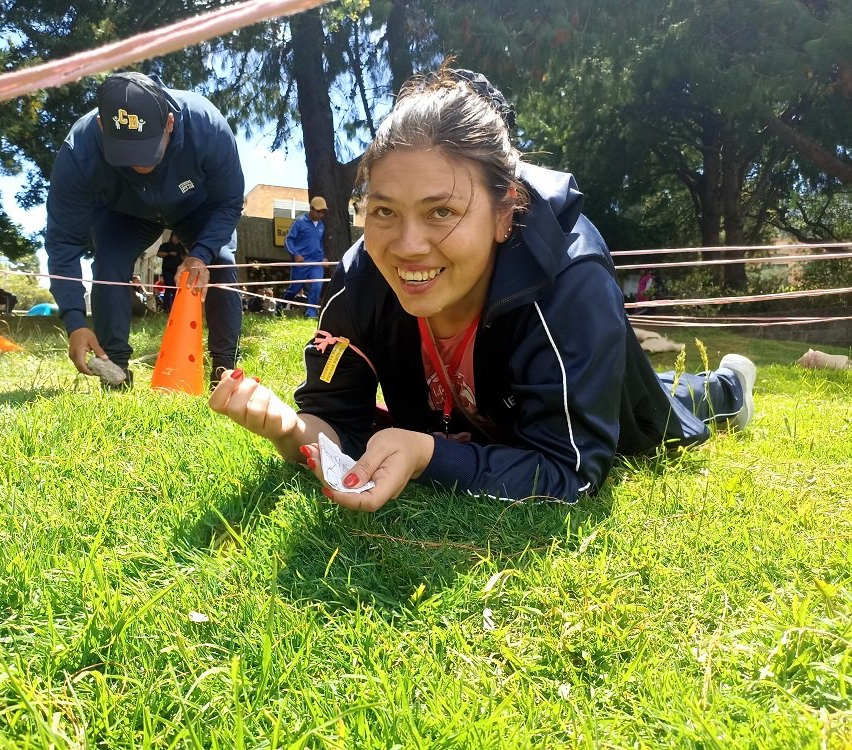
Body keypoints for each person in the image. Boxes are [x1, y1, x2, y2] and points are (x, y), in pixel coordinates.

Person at [209, 65, 757, 511]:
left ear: (504, 213)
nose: (406, 245)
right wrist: (290, 430)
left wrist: (431, 455)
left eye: (441, 211)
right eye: (383, 211)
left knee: (664, 409)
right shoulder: (360, 281)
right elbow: (337, 420)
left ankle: (730, 386)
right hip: (488, 413)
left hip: (611, 398)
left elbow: (570, 469)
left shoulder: (569, 279)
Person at [45, 71, 244, 390]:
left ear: (168, 123)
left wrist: (201, 254)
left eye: (149, 151)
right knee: (108, 263)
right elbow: (63, 241)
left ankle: (224, 368)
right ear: (101, 127)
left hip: (195, 205)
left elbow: (229, 202)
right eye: (125, 154)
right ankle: (116, 371)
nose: (140, 165)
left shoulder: (206, 124)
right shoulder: (79, 150)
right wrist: (74, 322)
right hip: (125, 212)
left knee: (220, 259)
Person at [278, 196, 327, 319]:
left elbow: (321, 243)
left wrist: (324, 258)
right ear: (311, 209)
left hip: (316, 263)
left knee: (317, 286)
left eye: (323, 212)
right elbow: (288, 240)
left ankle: (310, 313)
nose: (320, 214)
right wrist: (296, 254)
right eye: (318, 211)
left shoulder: (322, 226)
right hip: (301, 263)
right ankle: (280, 306)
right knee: (295, 288)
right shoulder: (300, 222)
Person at [156, 233, 185, 312]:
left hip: (178, 271)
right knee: (169, 288)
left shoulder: (181, 247)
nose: (176, 239)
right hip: (168, 270)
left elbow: (186, 256)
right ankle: (167, 309)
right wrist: (168, 254)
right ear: (171, 237)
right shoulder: (165, 245)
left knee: (177, 289)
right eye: (175, 236)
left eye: (178, 237)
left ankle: (176, 309)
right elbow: (159, 254)